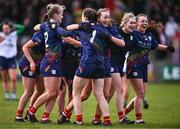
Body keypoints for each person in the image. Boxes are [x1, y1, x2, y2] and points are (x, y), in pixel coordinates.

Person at [58, 8, 125, 126]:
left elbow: (66, 30)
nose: (108, 19)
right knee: (100, 94)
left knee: (76, 93)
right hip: (100, 64)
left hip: (87, 62)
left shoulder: (83, 27)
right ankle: (107, 120)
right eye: (105, 17)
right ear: (97, 18)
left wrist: (80, 26)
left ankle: (78, 120)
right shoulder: (104, 30)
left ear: (86, 18)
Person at [27, 4, 80, 124]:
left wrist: (43, 26)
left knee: (55, 93)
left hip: (55, 62)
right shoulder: (53, 25)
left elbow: (36, 27)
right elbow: (64, 33)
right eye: (61, 14)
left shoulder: (49, 25)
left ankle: (45, 117)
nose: (62, 16)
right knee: (51, 92)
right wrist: (75, 36)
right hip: (49, 62)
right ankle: (31, 112)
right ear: (55, 15)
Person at [124, 14, 175, 124]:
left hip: (144, 66)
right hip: (133, 66)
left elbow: (155, 46)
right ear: (136, 23)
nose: (144, 23)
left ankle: (123, 114)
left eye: (146, 21)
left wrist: (167, 48)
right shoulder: (132, 33)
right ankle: (139, 119)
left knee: (141, 95)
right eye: (142, 21)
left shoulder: (149, 35)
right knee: (140, 94)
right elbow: (124, 31)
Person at [15, 31, 45, 122]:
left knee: (41, 89)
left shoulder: (52, 33)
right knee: (29, 91)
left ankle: (29, 112)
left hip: (39, 63)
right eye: (60, 15)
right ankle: (18, 116)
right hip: (27, 63)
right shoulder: (40, 34)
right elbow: (25, 47)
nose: (62, 16)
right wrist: (31, 62)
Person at [0, 22, 24, 100]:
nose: (5, 30)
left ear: (10, 29)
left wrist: (12, 25)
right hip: (2, 58)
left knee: (13, 78)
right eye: (4, 28)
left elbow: (22, 27)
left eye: (7, 28)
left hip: (11, 58)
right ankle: (7, 94)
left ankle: (13, 95)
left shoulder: (14, 34)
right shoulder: (1, 35)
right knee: (4, 78)